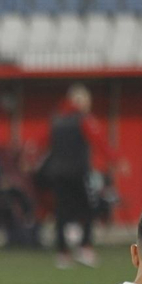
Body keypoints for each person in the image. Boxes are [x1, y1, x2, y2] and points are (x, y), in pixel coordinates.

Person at [43, 84, 121, 270]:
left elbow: (43, 144)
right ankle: (85, 248)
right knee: (90, 208)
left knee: (62, 213)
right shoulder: (84, 120)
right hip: (79, 172)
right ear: (79, 101)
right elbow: (99, 140)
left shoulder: (56, 120)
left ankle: (62, 253)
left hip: (58, 173)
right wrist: (116, 160)